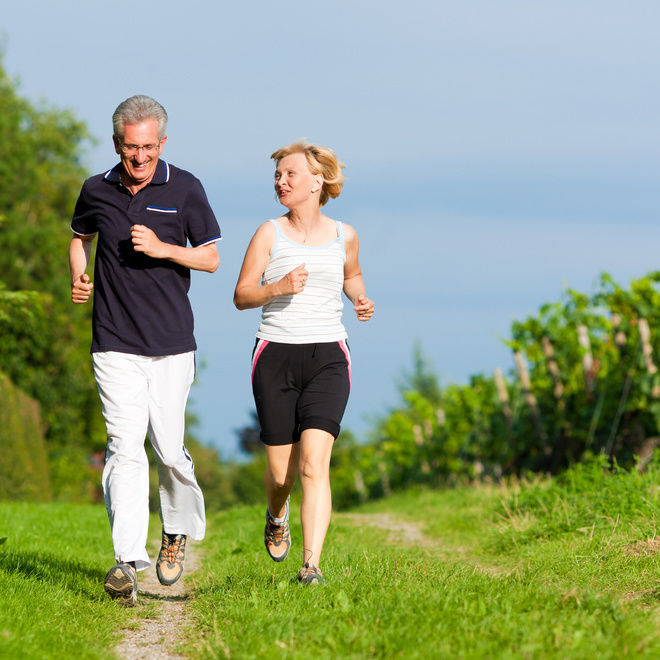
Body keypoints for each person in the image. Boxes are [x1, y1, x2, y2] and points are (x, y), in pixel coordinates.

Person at [69, 95, 221, 606]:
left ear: (162, 144)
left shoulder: (185, 187)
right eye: (131, 148)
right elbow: (77, 236)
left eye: (149, 148)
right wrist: (79, 273)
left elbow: (212, 259)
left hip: (172, 344)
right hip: (113, 342)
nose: (140, 158)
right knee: (123, 445)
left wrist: (163, 249)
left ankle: (175, 532)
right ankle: (126, 561)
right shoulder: (96, 189)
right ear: (117, 144)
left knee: (169, 449)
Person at [233, 140, 374, 584]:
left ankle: (310, 566)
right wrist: (279, 287)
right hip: (275, 354)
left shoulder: (344, 234)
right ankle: (277, 515)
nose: (281, 182)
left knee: (315, 463)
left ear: (317, 181)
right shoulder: (269, 233)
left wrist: (360, 299)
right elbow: (241, 295)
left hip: (329, 355)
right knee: (281, 473)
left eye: (289, 174)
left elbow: (351, 275)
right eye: (277, 175)